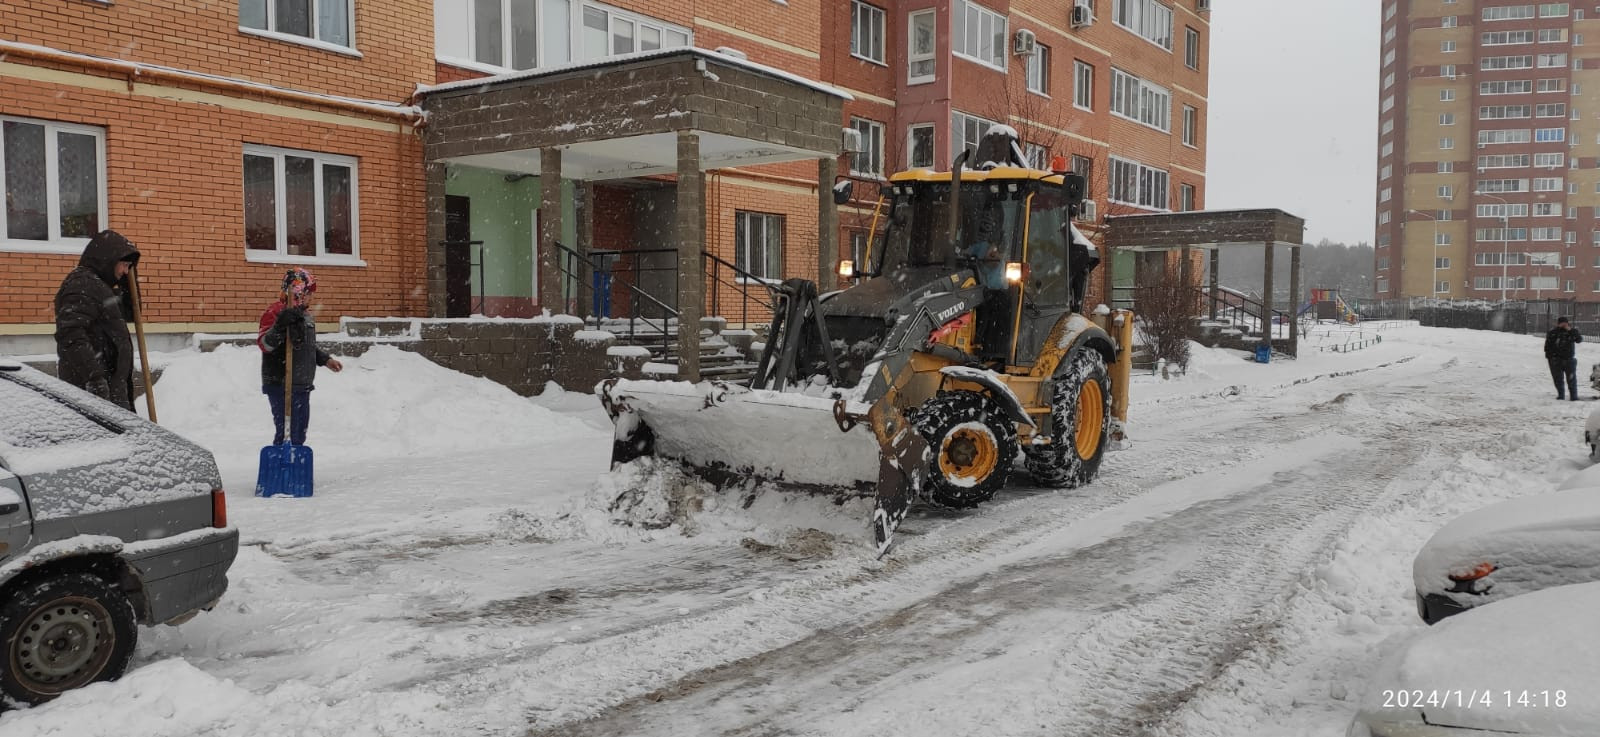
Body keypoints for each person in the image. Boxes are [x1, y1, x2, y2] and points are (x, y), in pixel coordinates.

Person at [54, 230, 141, 411]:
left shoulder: (101, 287)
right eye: (124, 265)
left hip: (111, 389)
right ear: (108, 260)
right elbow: (70, 334)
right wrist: (94, 379)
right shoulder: (83, 284)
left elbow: (131, 313)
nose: (126, 271)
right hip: (92, 392)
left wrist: (127, 283)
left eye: (129, 267)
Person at [258, 268, 342, 445]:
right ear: (298, 292)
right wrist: (280, 325)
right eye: (309, 293)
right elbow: (265, 344)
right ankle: (282, 461)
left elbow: (306, 346)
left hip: (301, 383)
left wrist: (325, 359)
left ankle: (295, 459)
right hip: (282, 382)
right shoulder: (275, 311)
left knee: (299, 433)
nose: (311, 297)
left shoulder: (305, 315)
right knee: (286, 432)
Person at [1544, 315, 1583, 401]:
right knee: (1558, 379)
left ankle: (1574, 396)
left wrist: (1570, 330)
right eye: (1562, 323)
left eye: (1565, 323)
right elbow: (1547, 346)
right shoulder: (1553, 332)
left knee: (1571, 379)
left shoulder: (1572, 331)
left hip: (1569, 359)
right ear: (1558, 324)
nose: (1564, 325)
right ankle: (1561, 395)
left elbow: (1579, 339)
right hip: (1555, 359)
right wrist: (1550, 358)